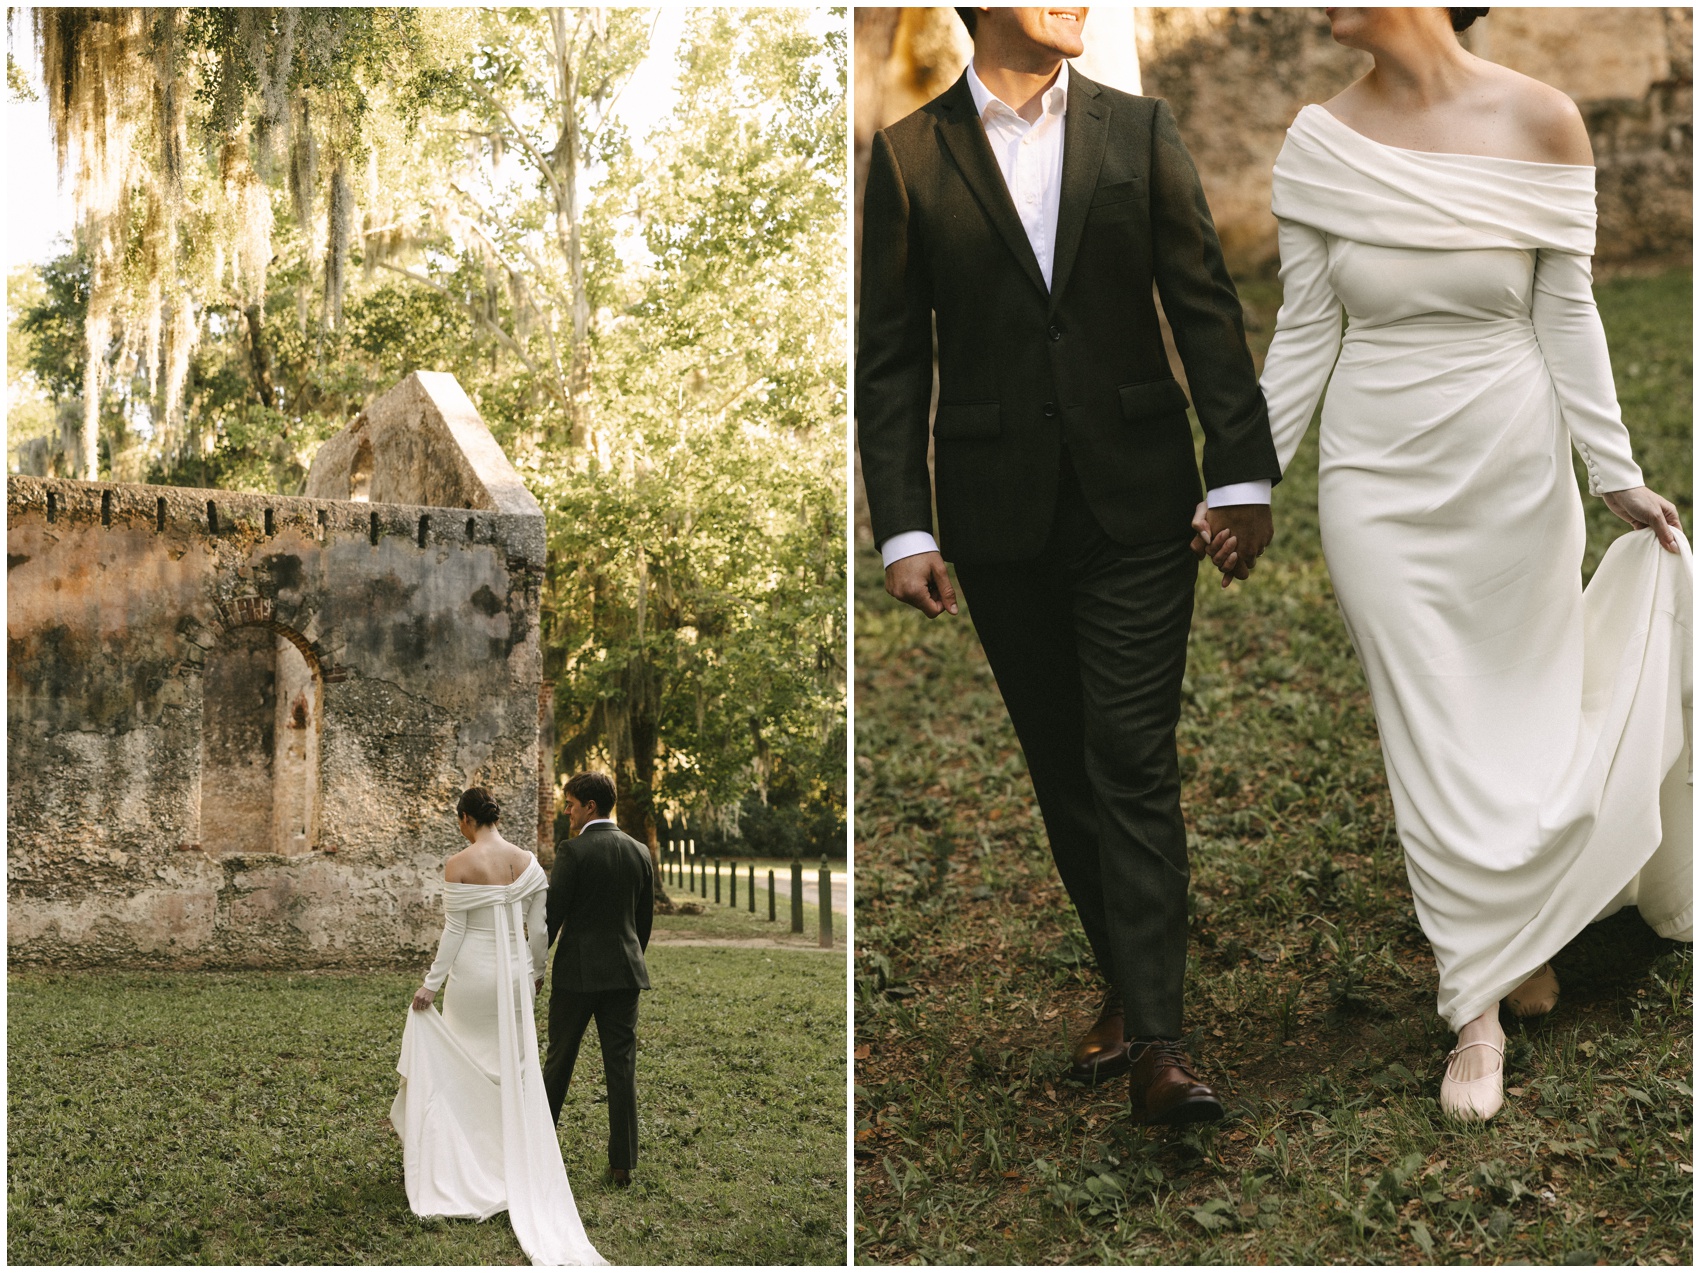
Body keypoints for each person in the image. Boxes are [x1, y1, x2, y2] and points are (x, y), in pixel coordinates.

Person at [1244, 6, 1691, 1122]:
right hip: (1373, 481)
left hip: (1509, 464)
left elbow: (1564, 308)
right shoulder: (1317, 139)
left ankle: (1521, 931)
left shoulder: (1542, 120)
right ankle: (1475, 1009)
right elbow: (1304, 329)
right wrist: (1242, 480)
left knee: (1519, 717)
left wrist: (1612, 471)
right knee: (1428, 728)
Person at [857, 6, 1282, 1125]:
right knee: (1062, 768)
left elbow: (1201, 302)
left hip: (1140, 500)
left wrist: (1241, 474)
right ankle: (1130, 979)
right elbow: (893, 359)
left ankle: (1158, 1043)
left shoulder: (1139, 132)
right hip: (999, 521)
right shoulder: (906, 159)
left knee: (1127, 754)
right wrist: (903, 526)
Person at [389, 787, 605, 1264]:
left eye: (460, 822)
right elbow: (540, 928)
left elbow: (456, 930)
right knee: (512, 1067)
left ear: (467, 819)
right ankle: (508, 1160)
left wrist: (431, 984)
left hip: (471, 978)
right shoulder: (528, 863)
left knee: (465, 1062)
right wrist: (535, 974)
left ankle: (466, 1163)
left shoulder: (459, 864)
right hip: (511, 980)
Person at [543, 772, 654, 1186]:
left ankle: (540, 1151)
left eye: (570, 803)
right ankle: (622, 1165)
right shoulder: (639, 850)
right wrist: (625, 958)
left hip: (576, 976)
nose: (566, 810)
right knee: (621, 1067)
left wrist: (535, 966)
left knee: (559, 1062)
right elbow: (642, 925)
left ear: (590, 806)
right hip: (625, 974)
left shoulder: (573, 851)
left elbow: (552, 919)